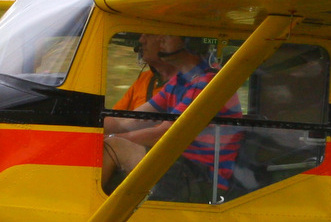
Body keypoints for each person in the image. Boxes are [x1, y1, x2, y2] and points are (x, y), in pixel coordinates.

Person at [102, 35, 243, 202]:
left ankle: (87, 206)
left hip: (202, 178)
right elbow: (129, 121)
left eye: (167, 35)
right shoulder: (179, 81)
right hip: (179, 167)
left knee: (113, 145)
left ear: (190, 41)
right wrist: (86, 125)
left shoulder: (208, 83)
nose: (158, 40)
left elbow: (164, 134)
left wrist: (110, 138)